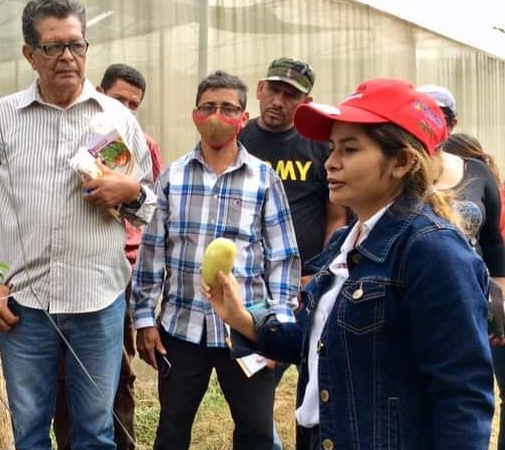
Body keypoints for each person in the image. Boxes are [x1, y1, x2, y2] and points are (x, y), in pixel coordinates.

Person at [203, 78, 494, 449]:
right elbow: (322, 341)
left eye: (350, 149)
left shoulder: (432, 251)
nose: (331, 163)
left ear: (402, 161)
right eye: (332, 148)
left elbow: (462, 394)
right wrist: (240, 317)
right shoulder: (346, 242)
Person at [0, 1, 155, 448]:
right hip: (24, 306)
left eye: (76, 45)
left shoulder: (118, 119)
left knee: (95, 429)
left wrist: (130, 193)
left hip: (99, 301)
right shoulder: (0, 120)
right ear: (30, 54)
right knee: (25, 430)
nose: (67, 56)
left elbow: (147, 208)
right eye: (53, 46)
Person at [133, 70, 300, 450]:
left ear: (243, 118)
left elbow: (283, 257)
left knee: (256, 430)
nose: (216, 116)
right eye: (208, 107)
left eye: (227, 108)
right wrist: (144, 318)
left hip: (246, 329)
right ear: (195, 114)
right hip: (182, 327)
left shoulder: (263, 178)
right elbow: (153, 251)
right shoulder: (174, 177)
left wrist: (277, 329)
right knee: (172, 429)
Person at [53, 63, 164, 450]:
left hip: (122, 272)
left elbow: (151, 206)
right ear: (99, 91)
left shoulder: (141, 143)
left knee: (118, 372)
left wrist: (128, 192)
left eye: (135, 104)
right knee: (67, 375)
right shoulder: (69, 134)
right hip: (72, 271)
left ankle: (122, 442)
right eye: (120, 99)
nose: (128, 109)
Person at [239, 56, 348, 449]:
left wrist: (318, 273)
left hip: (299, 289)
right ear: (259, 89)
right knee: (252, 386)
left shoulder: (319, 147)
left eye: (291, 95)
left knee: (283, 380)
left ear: (305, 102)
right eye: (274, 90)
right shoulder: (240, 140)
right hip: (246, 287)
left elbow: (335, 217)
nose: (279, 101)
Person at [441, 132, 505, 450]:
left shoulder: (477, 174)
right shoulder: (402, 172)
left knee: (470, 393)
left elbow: (493, 243)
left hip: (476, 298)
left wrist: (499, 299)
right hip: (428, 296)